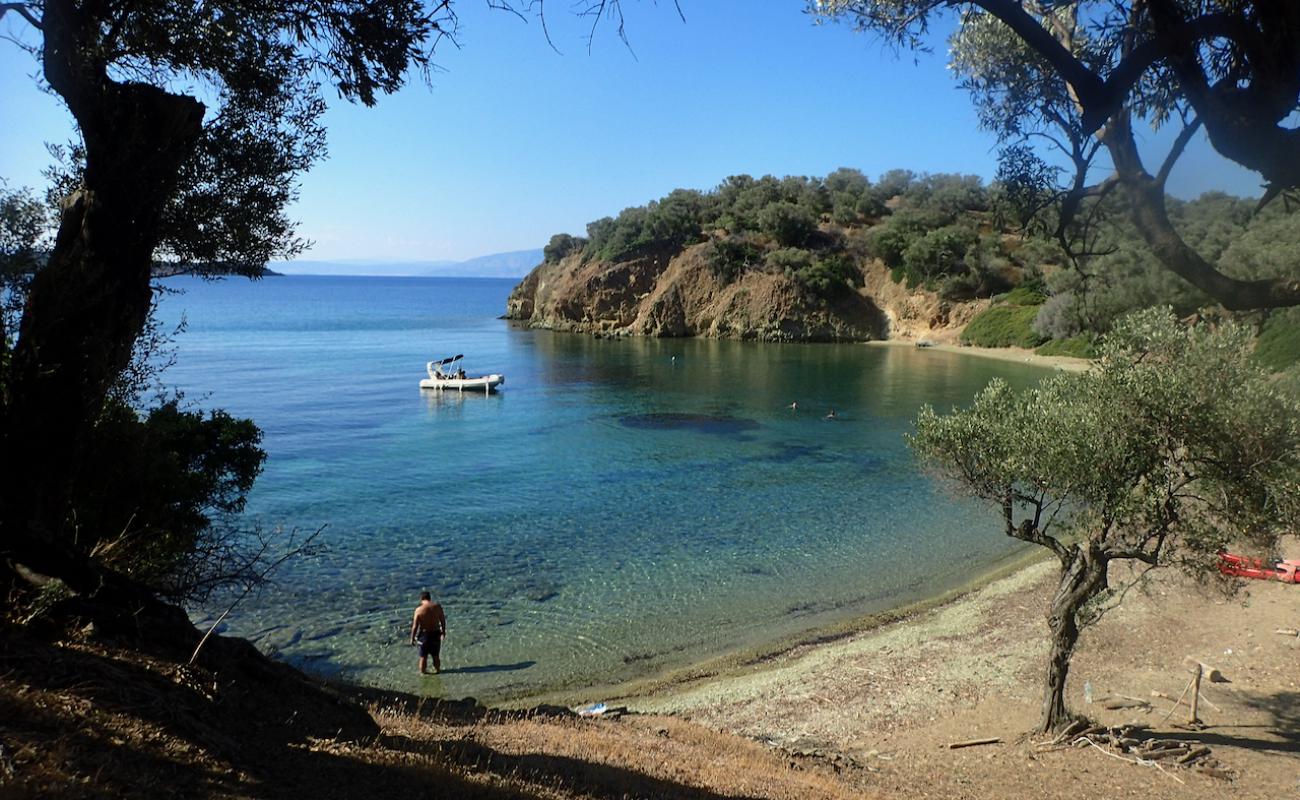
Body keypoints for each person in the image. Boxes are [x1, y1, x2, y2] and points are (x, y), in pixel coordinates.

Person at [409, 591, 446, 674]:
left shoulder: (418, 610)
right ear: (430, 598)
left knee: (423, 657)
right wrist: (443, 632)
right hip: (436, 633)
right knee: (436, 656)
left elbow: (415, 626)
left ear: (421, 599)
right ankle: (438, 671)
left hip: (424, 635)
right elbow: (442, 620)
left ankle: (423, 673)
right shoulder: (437, 607)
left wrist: (412, 638)